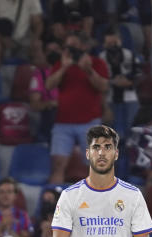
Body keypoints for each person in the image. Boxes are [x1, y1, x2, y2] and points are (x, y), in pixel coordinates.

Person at [46, 32, 110, 184]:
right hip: (63, 122)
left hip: (90, 122)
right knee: (58, 165)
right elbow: (49, 85)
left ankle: (98, 203)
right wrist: (63, 67)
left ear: (84, 46)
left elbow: (103, 87)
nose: (71, 50)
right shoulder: (60, 64)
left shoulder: (97, 63)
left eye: (74, 46)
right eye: (68, 46)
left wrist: (88, 70)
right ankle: (56, 203)